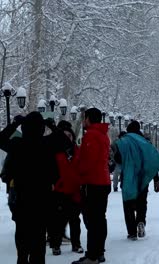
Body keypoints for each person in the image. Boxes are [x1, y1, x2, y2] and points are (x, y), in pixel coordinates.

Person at [0, 113, 60, 264]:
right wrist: (51, 125)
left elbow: (0, 140)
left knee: (22, 237)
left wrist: (14, 123)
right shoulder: (47, 144)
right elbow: (64, 141)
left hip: (22, 199)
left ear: (24, 128)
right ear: (41, 128)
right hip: (42, 199)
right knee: (39, 241)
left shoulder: (17, 144)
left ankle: (22, 260)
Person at [112, 121, 159, 240]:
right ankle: (141, 221)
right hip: (143, 177)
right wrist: (156, 180)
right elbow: (152, 162)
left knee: (128, 204)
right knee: (142, 202)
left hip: (128, 177)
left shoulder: (124, 142)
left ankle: (132, 232)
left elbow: (118, 159)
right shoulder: (146, 142)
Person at [73, 108, 111, 264]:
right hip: (102, 181)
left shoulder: (91, 136)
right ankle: (99, 252)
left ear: (88, 118)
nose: (83, 121)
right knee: (100, 219)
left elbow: (88, 161)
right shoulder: (103, 135)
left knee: (92, 220)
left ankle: (92, 256)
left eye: (84, 117)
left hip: (92, 183)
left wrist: (78, 170)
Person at [49, 121, 83, 256]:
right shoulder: (55, 152)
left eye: (69, 135)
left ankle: (76, 244)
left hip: (75, 190)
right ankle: (55, 245)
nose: (67, 138)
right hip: (59, 190)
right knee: (58, 220)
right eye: (64, 135)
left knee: (75, 219)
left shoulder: (77, 151)